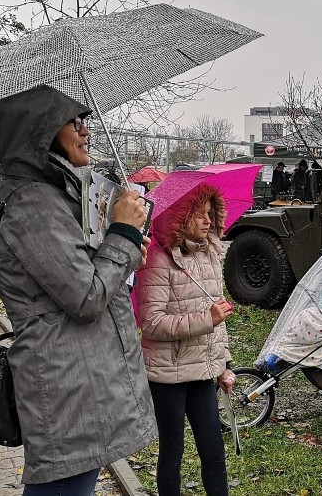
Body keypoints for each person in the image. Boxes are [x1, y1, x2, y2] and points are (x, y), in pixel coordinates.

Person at [0, 84, 157, 493]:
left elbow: (87, 276)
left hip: (80, 380)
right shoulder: (32, 204)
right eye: (73, 122)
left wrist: (126, 250)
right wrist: (124, 232)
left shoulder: (51, 196)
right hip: (67, 384)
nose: (85, 131)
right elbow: (87, 296)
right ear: (41, 133)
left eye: (85, 122)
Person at [134, 183, 235, 496]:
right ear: (180, 217)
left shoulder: (208, 256)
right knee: (172, 452)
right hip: (168, 376)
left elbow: (218, 319)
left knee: (214, 451)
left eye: (209, 214)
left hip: (203, 372)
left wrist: (223, 364)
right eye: (199, 214)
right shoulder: (157, 259)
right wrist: (206, 319)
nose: (207, 221)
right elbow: (151, 323)